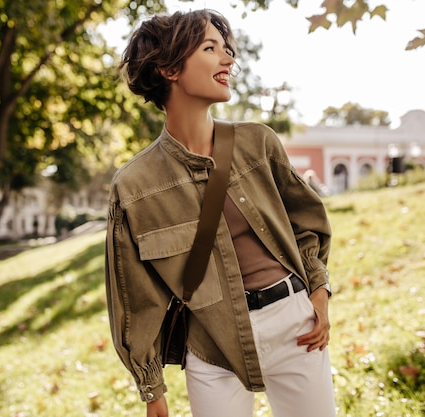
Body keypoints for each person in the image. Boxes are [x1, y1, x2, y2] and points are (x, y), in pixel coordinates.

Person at [105, 9, 336, 417]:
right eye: (211, 48)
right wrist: (152, 390)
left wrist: (317, 293)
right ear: (169, 68)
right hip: (211, 344)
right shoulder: (134, 187)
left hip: (296, 326)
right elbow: (135, 297)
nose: (229, 59)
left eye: (227, 49)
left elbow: (307, 223)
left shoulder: (258, 143)